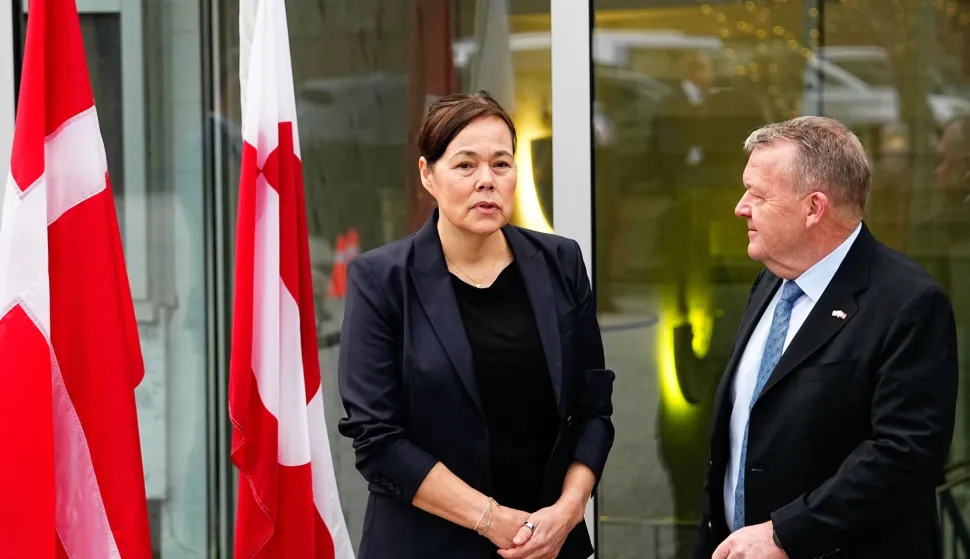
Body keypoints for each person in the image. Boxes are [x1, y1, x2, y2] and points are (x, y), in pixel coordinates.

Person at [337, 91, 615, 559]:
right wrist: (492, 520)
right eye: (465, 165)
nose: (486, 180)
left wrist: (567, 514)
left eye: (501, 164)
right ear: (428, 174)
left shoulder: (560, 261)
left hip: (546, 544)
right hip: (427, 546)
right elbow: (376, 439)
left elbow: (593, 411)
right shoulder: (381, 278)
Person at [692, 116, 959, 559]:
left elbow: (904, 454)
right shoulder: (770, 282)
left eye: (758, 195)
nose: (741, 207)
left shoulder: (907, 302)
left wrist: (784, 534)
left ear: (814, 207)